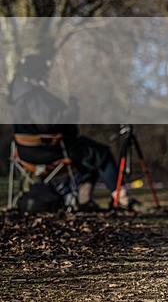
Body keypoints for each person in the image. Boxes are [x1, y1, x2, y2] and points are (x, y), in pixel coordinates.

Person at [8, 53, 137, 211]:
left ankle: (84, 200)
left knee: (90, 160)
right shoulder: (32, 95)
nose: (47, 75)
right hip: (48, 150)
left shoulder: (20, 94)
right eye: (44, 71)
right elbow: (48, 123)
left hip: (26, 152)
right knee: (102, 154)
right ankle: (121, 198)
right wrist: (71, 109)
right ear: (35, 72)